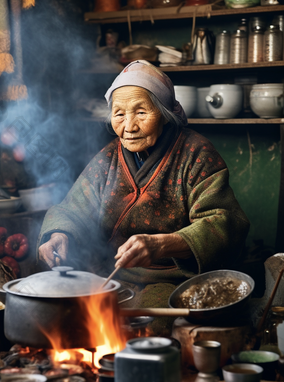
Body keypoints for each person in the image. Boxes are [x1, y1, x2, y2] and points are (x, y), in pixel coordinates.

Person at [38, 60, 250, 334]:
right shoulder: (109, 158)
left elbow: (224, 223)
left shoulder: (195, 154)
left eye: (141, 112)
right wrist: (58, 234)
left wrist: (163, 244)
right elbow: (74, 208)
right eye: (119, 114)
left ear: (163, 113)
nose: (129, 126)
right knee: (75, 324)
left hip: (173, 280)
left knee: (151, 333)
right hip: (111, 274)